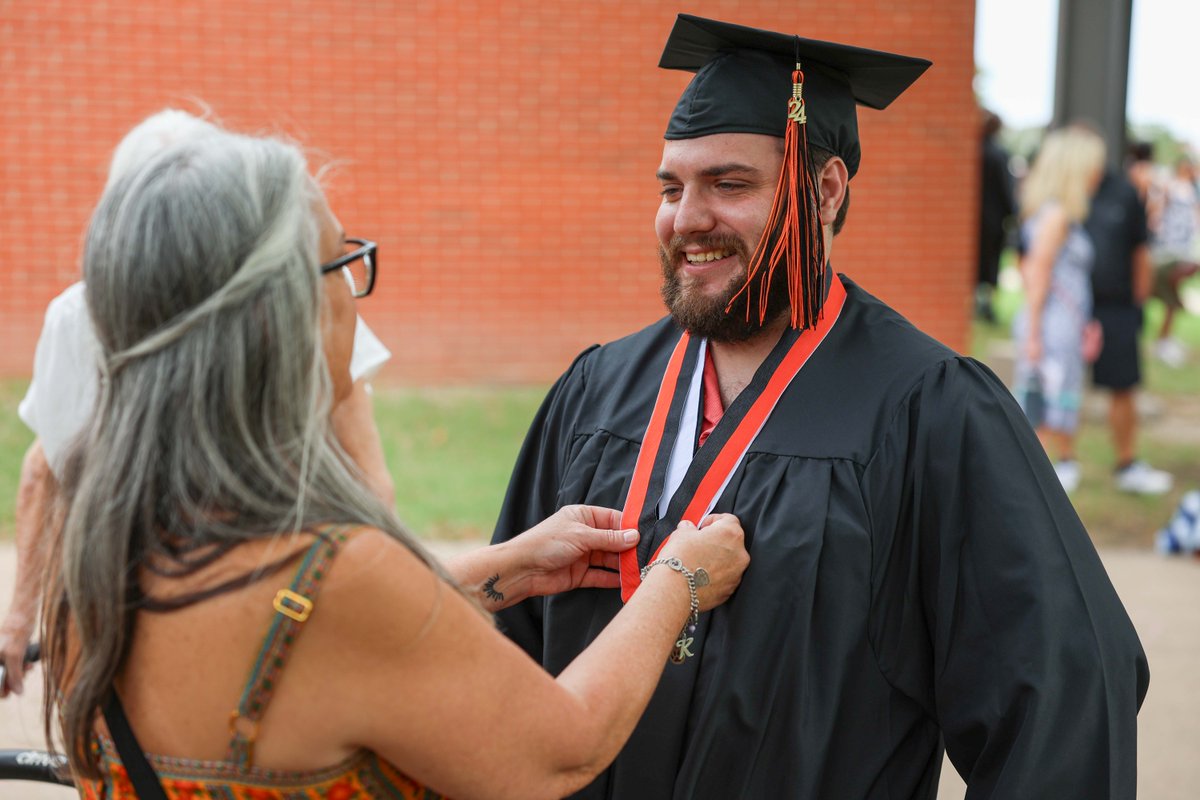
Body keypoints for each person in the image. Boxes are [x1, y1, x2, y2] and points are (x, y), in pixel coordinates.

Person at [492, 15, 1148, 798]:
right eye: (671, 187)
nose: (686, 218)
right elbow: (504, 661)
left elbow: (1060, 696)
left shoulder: (927, 409)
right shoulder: (596, 393)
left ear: (825, 189)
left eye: (728, 184)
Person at [40, 114, 750, 798]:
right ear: (279, 314)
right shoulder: (335, 576)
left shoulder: (104, 554)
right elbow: (562, 752)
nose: (354, 295)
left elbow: (305, 640)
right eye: (342, 264)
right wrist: (677, 582)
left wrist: (504, 567)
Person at [0, 109, 397, 699]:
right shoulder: (294, 288)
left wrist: (21, 621)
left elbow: (50, 468)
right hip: (266, 601)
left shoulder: (81, 312)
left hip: (135, 615)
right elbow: (368, 478)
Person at [1011, 125, 1107, 492]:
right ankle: (1043, 479)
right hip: (1052, 328)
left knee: (1052, 400)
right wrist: (1034, 333)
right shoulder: (1057, 216)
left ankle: (1055, 469)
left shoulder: (1055, 213)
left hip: (1058, 326)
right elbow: (1037, 274)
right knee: (1045, 403)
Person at [1086, 143, 1173, 494]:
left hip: (1117, 305)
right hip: (1072, 307)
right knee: (1058, 388)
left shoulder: (1123, 193)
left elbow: (1142, 252)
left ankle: (1126, 461)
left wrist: (1138, 303)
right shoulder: (1062, 191)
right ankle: (1060, 460)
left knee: (1124, 385)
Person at [1148, 154, 1200, 367]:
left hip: (1184, 248)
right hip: (1170, 249)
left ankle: (1165, 339)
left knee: (1172, 297)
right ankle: (1163, 341)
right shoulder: (1170, 187)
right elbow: (1156, 212)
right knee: (1170, 297)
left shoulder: (1192, 188)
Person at [975, 109, 1017, 323]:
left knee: (976, 263)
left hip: (973, 220)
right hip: (992, 220)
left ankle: (977, 303)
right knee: (990, 265)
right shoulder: (998, 154)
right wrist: (1013, 213)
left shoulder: (974, 150)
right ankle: (986, 306)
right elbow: (1005, 189)